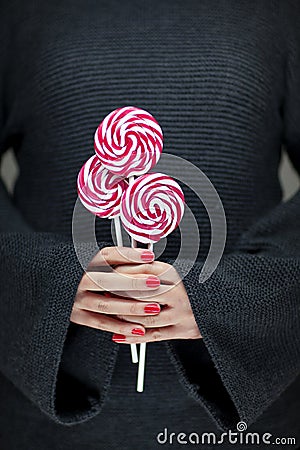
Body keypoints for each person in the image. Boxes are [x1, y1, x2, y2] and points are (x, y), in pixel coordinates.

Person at [0, 0, 299, 449]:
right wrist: (47, 281)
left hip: (251, 423)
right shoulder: (17, 11)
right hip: (38, 416)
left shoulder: (281, 12)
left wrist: (236, 297)